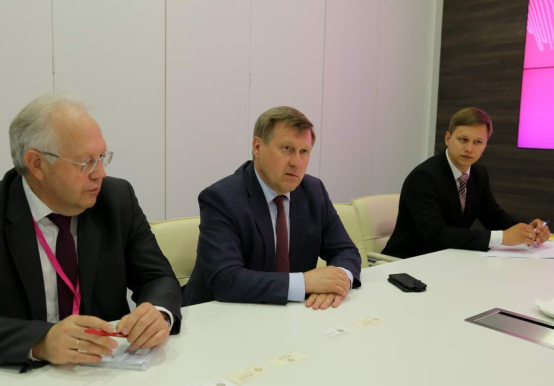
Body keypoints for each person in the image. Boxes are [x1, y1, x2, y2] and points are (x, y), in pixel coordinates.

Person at [0, 93, 182, 368]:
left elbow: (157, 276)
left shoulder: (116, 199)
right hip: (14, 379)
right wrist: (40, 341)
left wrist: (158, 313)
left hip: (105, 372)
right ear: (37, 163)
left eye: (102, 157)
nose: (99, 173)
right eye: (86, 162)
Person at [183, 106, 361, 310]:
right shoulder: (221, 199)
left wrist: (339, 281)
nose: (297, 162)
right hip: (219, 316)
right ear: (257, 147)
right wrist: (304, 283)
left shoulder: (314, 191)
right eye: (287, 149)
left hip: (291, 314)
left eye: (304, 152)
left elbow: (345, 250)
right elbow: (226, 279)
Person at [383, 107, 550, 259]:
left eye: (478, 142)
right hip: (408, 262)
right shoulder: (424, 177)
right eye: (463, 139)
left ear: (485, 144)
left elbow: (493, 216)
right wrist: (502, 237)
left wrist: (528, 231)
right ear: (448, 138)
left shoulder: (478, 174)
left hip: (449, 259)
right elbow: (435, 234)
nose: (470, 149)